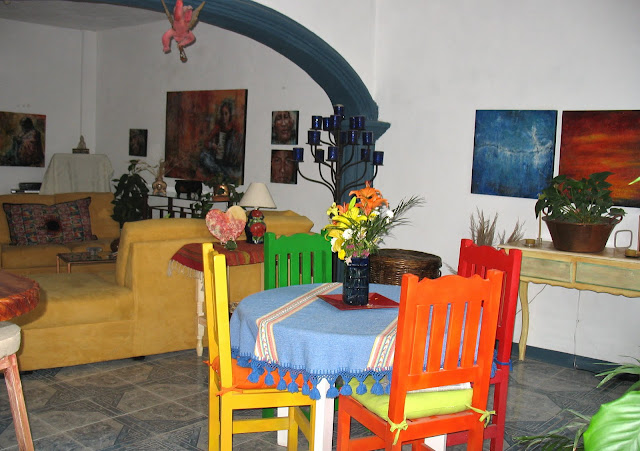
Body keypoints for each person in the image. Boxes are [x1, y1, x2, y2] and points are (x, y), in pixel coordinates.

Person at [200, 99, 245, 184]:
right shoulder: (218, 127)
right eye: (222, 114)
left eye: (226, 114)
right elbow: (206, 142)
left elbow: (238, 146)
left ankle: (222, 172)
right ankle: (221, 172)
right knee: (203, 156)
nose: (224, 116)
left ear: (230, 115)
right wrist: (213, 146)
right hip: (219, 159)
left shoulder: (235, 128)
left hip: (230, 161)